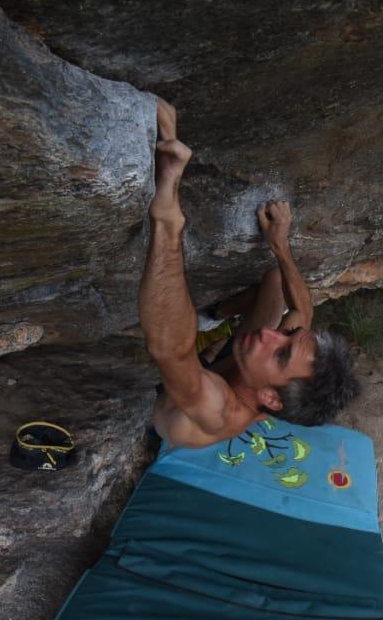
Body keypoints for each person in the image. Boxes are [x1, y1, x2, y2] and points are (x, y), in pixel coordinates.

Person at [139, 97, 359, 448]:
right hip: (229, 366)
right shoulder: (274, 365)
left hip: (177, 394)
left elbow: (170, 349)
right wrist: (280, 244)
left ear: (271, 398)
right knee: (275, 281)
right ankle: (214, 317)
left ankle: (208, 346)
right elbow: (302, 309)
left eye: (281, 354)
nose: (273, 334)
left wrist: (168, 196)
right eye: (291, 336)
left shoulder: (219, 411)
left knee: (183, 350)